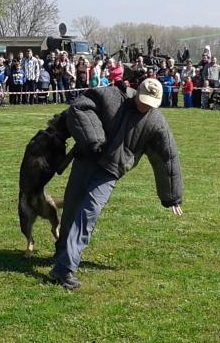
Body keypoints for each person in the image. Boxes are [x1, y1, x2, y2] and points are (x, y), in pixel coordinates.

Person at [49, 79, 183, 290]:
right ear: (136, 92)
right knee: (72, 210)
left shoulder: (157, 123)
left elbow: (167, 159)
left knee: (88, 214)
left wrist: (172, 196)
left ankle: (63, 270)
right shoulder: (111, 96)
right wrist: (93, 137)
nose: (145, 107)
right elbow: (80, 106)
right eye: (143, 101)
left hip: (110, 172)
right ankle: (62, 252)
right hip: (86, 158)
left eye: (151, 104)